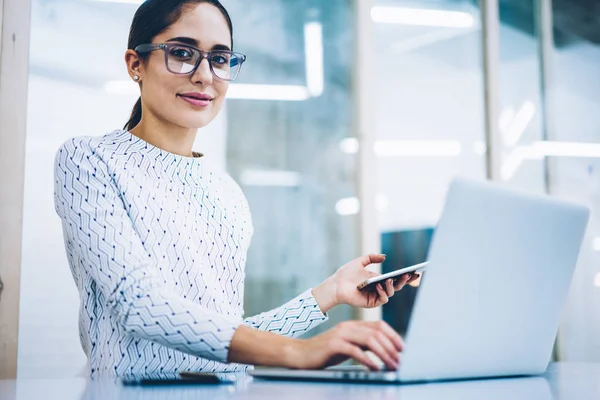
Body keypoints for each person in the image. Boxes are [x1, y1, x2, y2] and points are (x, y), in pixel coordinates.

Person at [53, 0, 419, 378]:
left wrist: (330, 292)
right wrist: (298, 351)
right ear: (135, 65)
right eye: (182, 53)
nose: (204, 76)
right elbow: (139, 305)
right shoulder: (89, 159)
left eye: (220, 59)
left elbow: (228, 341)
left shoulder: (226, 193)